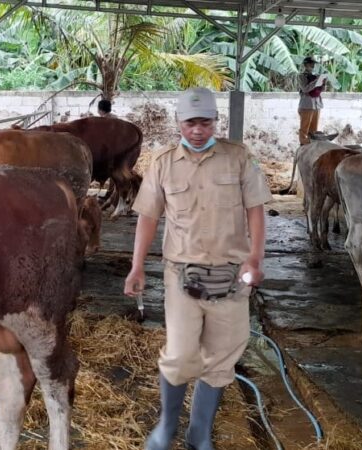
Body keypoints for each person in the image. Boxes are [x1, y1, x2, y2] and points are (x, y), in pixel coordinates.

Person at [123, 87, 273, 450]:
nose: (197, 130)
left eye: (205, 122)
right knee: (179, 355)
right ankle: (166, 427)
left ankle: (199, 433)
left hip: (232, 276)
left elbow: (255, 207)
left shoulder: (238, 159)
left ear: (214, 122)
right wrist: (137, 266)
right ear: (179, 123)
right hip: (181, 275)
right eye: (190, 123)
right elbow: (148, 217)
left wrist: (255, 257)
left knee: (222, 356)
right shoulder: (162, 163)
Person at [298, 56, 326, 145]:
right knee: (304, 128)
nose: (313, 66)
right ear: (306, 65)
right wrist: (316, 82)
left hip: (316, 104)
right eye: (311, 64)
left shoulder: (315, 76)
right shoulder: (301, 76)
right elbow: (305, 89)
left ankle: (312, 143)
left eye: (313, 64)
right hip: (307, 104)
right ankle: (303, 144)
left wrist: (323, 83)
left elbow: (322, 90)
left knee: (314, 129)